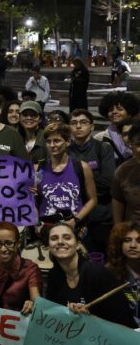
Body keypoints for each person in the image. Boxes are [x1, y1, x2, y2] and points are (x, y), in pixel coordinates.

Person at [45, 223, 137, 328]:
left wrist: (89, 317)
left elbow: (121, 320)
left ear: (78, 244)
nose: (60, 242)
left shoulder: (97, 273)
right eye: (54, 238)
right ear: (49, 246)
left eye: (67, 237)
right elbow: (53, 314)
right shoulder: (53, 275)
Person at [69, 109, 116, 254]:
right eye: (74, 123)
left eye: (83, 122)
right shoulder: (65, 152)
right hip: (74, 217)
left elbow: (108, 183)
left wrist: (79, 179)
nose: (78, 126)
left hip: (101, 218)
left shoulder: (103, 148)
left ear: (92, 126)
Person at [106, 221, 140, 327]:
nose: (133, 245)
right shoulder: (109, 272)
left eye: (139, 241)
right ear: (119, 244)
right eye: (127, 240)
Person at [95, 92, 139, 165]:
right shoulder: (99, 138)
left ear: (129, 111)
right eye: (111, 110)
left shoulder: (138, 133)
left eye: (119, 109)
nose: (114, 112)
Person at [113, 120, 140, 223]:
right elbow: (118, 203)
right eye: (138, 144)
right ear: (130, 144)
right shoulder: (122, 171)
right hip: (134, 234)